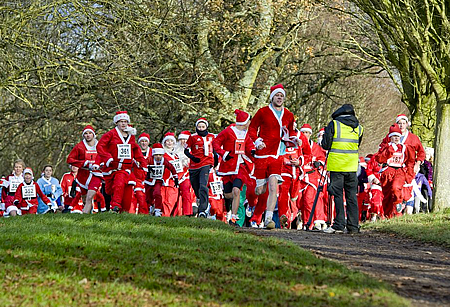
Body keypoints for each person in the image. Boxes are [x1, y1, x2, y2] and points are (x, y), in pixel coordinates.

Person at [248, 84, 311, 229]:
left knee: (273, 187)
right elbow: (252, 128)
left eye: (282, 96)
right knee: (260, 190)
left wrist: (296, 139)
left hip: (278, 154)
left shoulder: (288, 115)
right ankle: (252, 204)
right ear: (272, 97)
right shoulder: (263, 112)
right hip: (263, 154)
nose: (279, 98)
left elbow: (290, 133)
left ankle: (269, 219)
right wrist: (257, 141)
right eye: (277, 95)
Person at [321, 104, 363, 234]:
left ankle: (339, 225)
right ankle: (353, 226)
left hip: (337, 165)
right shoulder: (359, 128)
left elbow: (326, 145)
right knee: (351, 196)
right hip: (351, 166)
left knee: (338, 195)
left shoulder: (334, 124)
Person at [96, 111, 147, 213]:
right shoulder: (110, 134)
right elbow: (100, 146)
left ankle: (121, 211)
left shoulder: (131, 136)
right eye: (121, 121)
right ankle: (115, 206)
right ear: (116, 123)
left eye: (125, 122)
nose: (123, 124)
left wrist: (143, 164)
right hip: (113, 168)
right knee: (111, 189)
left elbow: (135, 149)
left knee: (126, 191)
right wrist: (108, 158)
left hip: (126, 169)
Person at [212, 109, 255, 226]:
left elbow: (249, 146)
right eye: (249, 121)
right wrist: (223, 153)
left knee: (237, 191)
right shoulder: (228, 131)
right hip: (228, 167)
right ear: (244, 121)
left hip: (241, 167)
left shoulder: (247, 134)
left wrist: (254, 152)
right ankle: (228, 207)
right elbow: (215, 143)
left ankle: (234, 219)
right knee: (228, 194)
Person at [376, 124, 415, 218]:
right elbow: (379, 159)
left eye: (398, 136)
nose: (396, 138)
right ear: (390, 137)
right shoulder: (385, 147)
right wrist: (389, 150)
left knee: (396, 187)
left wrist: (409, 175)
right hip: (387, 172)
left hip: (399, 171)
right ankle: (389, 217)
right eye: (394, 136)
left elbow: (410, 161)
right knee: (387, 197)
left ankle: (398, 206)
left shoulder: (405, 148)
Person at [66, 125, 103, 214]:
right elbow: (70, 159)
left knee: (90, 196)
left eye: (90, 133)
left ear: (94, 135)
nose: (88, 135)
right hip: (83, 175)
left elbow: (107, 156)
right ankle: (88, 215)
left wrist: (102, 164)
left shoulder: (100, 146)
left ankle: (85, 215)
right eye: (86, 133)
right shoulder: (79, 146)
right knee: (85, 198)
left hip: (96, 174)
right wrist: (84, 163)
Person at [184, 118, 217, 218]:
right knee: (195, 186)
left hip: (206, 163)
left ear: (206, 127)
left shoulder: (212, 136)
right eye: (199, 127)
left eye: (203, 127)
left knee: (203, 185)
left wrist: (216, 162)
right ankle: (201, 199)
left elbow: (216, 149)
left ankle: (203, 210)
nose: (201, 129)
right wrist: (192, 157)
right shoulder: (192, 137)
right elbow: (186, 150)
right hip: (194, 165)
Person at [298, 124, 327, 230]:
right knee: (299, 201)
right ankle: (304, 221)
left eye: (307, 133)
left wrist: (318, 163)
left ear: (310, 134)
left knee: (309, 199)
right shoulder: (297, 146)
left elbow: (322, 158)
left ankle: (311, 223)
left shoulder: (315, 147)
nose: (305, 135)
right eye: (303, 132)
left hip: (311, 177)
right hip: (299, 177)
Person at [145, 143, 178, 216]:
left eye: (160, 155)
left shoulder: (164, 161)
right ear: (153, 155)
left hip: (158, 181)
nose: (158, 157)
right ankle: (151, 205)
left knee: (157, 194)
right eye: (156, 155)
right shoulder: (149, 159)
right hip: (149, 181)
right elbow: (143, 166)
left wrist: (175, 177)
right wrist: (146, 172)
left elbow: (171, 167)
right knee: (148, 197)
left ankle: (158, 210)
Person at [174, 130, 194, 216]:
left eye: (185, 139)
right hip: (175, 175)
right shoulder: (175, 150)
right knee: (174, 194)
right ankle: (174, 213)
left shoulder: (192, 151)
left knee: (186, 192)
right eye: (181, 139)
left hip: (186, 175)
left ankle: (188, 213)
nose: (183, 142)